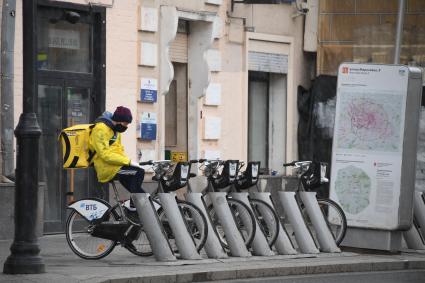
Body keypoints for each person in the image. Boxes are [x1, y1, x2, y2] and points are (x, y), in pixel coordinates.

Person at [89, 106, 145, 197]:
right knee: (138, 172)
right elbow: (104, 154)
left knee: (139, 185)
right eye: (125, 123)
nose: (126, 126)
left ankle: (136, 204)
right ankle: (134, 205)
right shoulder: (100, 128)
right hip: (106, 168)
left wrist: (128, 163)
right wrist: (128, 162)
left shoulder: (115, 130)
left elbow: (119, 150)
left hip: (115, 166)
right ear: (118, 120)